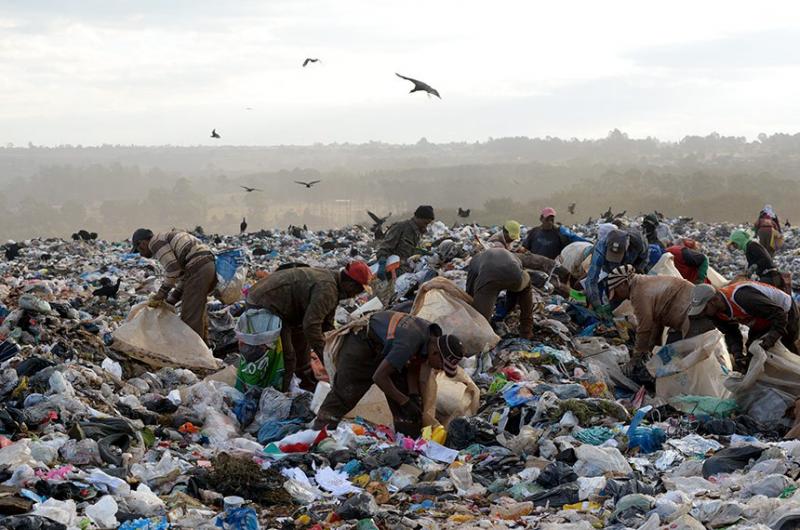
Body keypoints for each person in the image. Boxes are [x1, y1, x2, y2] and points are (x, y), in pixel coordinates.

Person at [314, 311, 465, 436]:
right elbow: (379, 377)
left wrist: (412, 396)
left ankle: (407, 441)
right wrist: (404, 402)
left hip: (385, 348)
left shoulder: (431, 336)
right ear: (435, 353)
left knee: (405, 396)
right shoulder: (409, 342)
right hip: (362, 345)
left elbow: (414, 365)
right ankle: (318, 434)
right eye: (440, 365)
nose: (438, 369)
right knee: (346, 393)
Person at [246, 261, 371, 391]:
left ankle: (304, 384)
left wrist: (336, 349)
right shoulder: (327, 289)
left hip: (285, 308)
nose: (356, 295)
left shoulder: (334, 284)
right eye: (358, 290)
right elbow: (311, 326)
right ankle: (283, 394)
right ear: (350, 284)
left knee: (302, 347)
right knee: (288, 356)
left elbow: (326, 324)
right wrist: (326, 358)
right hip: (264, 303)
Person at [131, 229, 217, 342]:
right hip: (207, 266)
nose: (141, 254)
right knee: (197, 309)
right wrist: (172, 300)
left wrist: (161, 294)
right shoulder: (165, 238)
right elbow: (183, 277)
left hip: (198, 267)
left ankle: (193, 353)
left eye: (139, 250)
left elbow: (173, 270)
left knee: (190, 316)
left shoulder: (155, 242)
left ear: (142, 243)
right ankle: (205, 347)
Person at [607, 265, 693, 373]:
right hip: (686, 311)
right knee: (667, 359)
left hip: (690, 314)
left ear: (624, 284)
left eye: (616, 291)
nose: (618, 297)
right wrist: (650, 351)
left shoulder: (638, 292)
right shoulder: (642, 282)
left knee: (676, 363)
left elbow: (644, 328)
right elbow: (656, 323)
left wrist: (636, 357)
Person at [689, 282, 800, 366]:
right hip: (760, 317)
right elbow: (731, 332)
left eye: (704, 309)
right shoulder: (714, 313)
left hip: (785, 311)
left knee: (786, 344)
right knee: (753, 352)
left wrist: (771, 338)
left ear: (714, 300)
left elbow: (779, 314)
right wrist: (737, 353)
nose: (702, 314)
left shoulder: (742, 297)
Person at [466, 248, 533, 338]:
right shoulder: (514, 257)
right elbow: (515, 289)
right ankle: (526, 330)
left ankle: (481, 341)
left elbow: (470, 289)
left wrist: (473, 305)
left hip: (489, 281)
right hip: (514, 277)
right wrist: (509, 306)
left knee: (481, 321)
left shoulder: (474, 261)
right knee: (526, 287)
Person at [585, 227, 648, 312]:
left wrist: (636, 273)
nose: (616, 260)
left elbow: (644, 260)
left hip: (632, 264)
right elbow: (591, 280)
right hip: (609, 268)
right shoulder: (600, 248)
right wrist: (597, 305)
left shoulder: (639, 242)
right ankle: (613, 307)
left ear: (627, 246)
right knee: (610, 285)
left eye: (618, 255)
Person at [376, 205, 435, 279]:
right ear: (418, 218)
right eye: (425, 223)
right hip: (393, 272)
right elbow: (384, 248)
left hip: (406, 272)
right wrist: (382, 264)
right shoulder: (401, 227)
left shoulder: (417, 232)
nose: (426, 227)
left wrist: (422, 252)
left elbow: (410, 250)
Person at [522, 207, 588, 259]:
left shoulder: (560, 234)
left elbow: (570, 247)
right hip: (535, 266)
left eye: (552, 220)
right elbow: (526, 248)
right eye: (547, 219)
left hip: (552, 269)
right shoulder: (534, 232)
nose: (550, 222)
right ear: (541, 218)